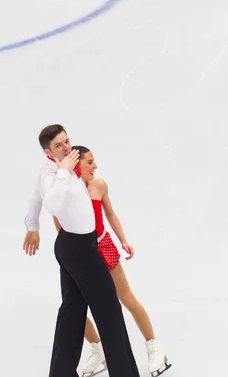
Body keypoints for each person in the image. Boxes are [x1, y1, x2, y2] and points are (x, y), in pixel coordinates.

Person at [23, 124, 140, 377]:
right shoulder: (53, 173)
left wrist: (32, 226)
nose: (66, 148)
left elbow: (35, 197)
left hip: (75, 246)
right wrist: (64, 171)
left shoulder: (63, 165)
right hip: (79, 250)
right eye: (58, 146)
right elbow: (51, 202)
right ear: (47, 152)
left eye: (67, 141)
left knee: (73, 311)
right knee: (109, 310)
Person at [50, 145, 172, 377]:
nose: (95, 166)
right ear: (77, 164)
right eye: (90, 162)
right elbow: (60, 225)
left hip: (103, 247)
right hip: (81, 253)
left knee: (126, 299)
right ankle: (98, 350)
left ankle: (153, 348)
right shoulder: (64, 189)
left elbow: (111, 214)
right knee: (76, 307)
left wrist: (123, 241)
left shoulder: (98, 185)